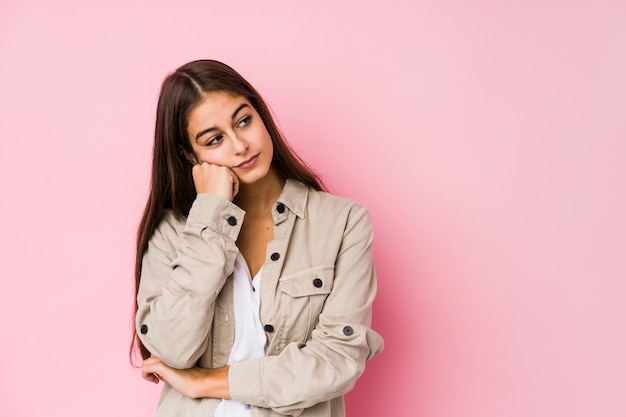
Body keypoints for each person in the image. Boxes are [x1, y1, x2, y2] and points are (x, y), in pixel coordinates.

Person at [132, 59, 384, 417]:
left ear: (261, 115)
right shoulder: (173, 232)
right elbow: (173, 351)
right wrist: (212, 215)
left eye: (244, 121)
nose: (239, 145)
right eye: (214, 139)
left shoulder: (343, 223)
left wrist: (205, 382)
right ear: (191, 155)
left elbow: (336, 362)